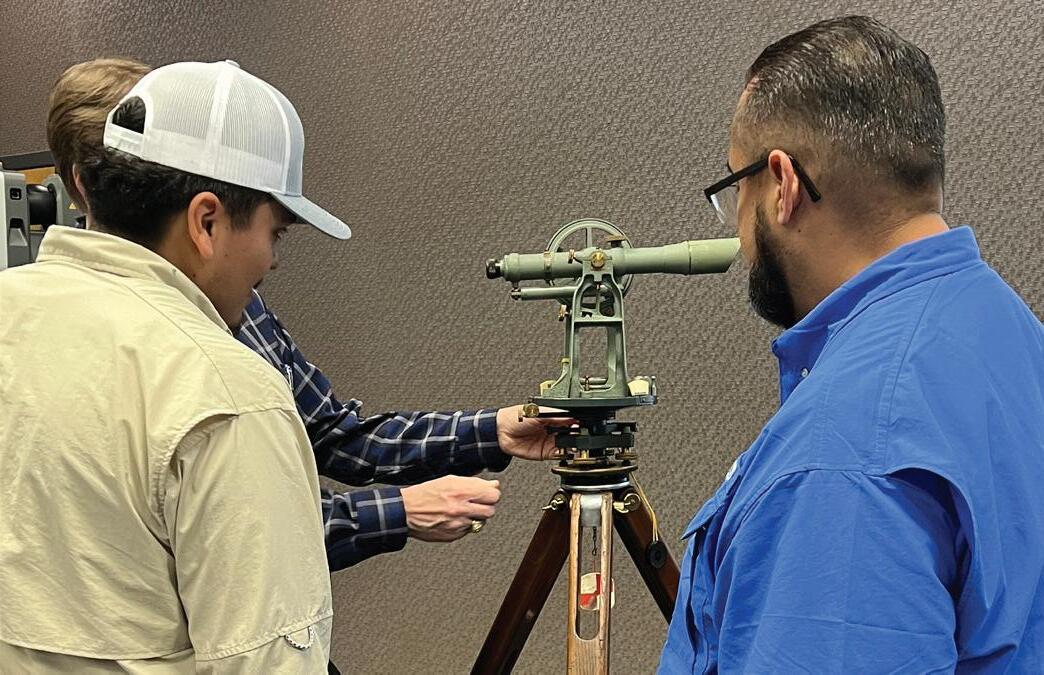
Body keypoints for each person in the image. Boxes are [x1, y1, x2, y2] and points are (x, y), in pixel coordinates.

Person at [46, 57, 561, 571]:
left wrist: (494, 430)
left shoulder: (244, 312)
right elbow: (237, 533)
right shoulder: (99, 352)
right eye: (275, 233)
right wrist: (397, 511)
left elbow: (337, 436)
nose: (272, 260)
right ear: (87, 183)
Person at [659, 15, 1044, 672]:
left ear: (782, 184)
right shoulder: (1010, 334)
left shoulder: (842, 453)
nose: (738, 230)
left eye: (736, 188)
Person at [0, 60, 346, 672]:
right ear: (206, 221)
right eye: (276, 234)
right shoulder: (226, 391)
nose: (272, 261)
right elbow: (266, 662)